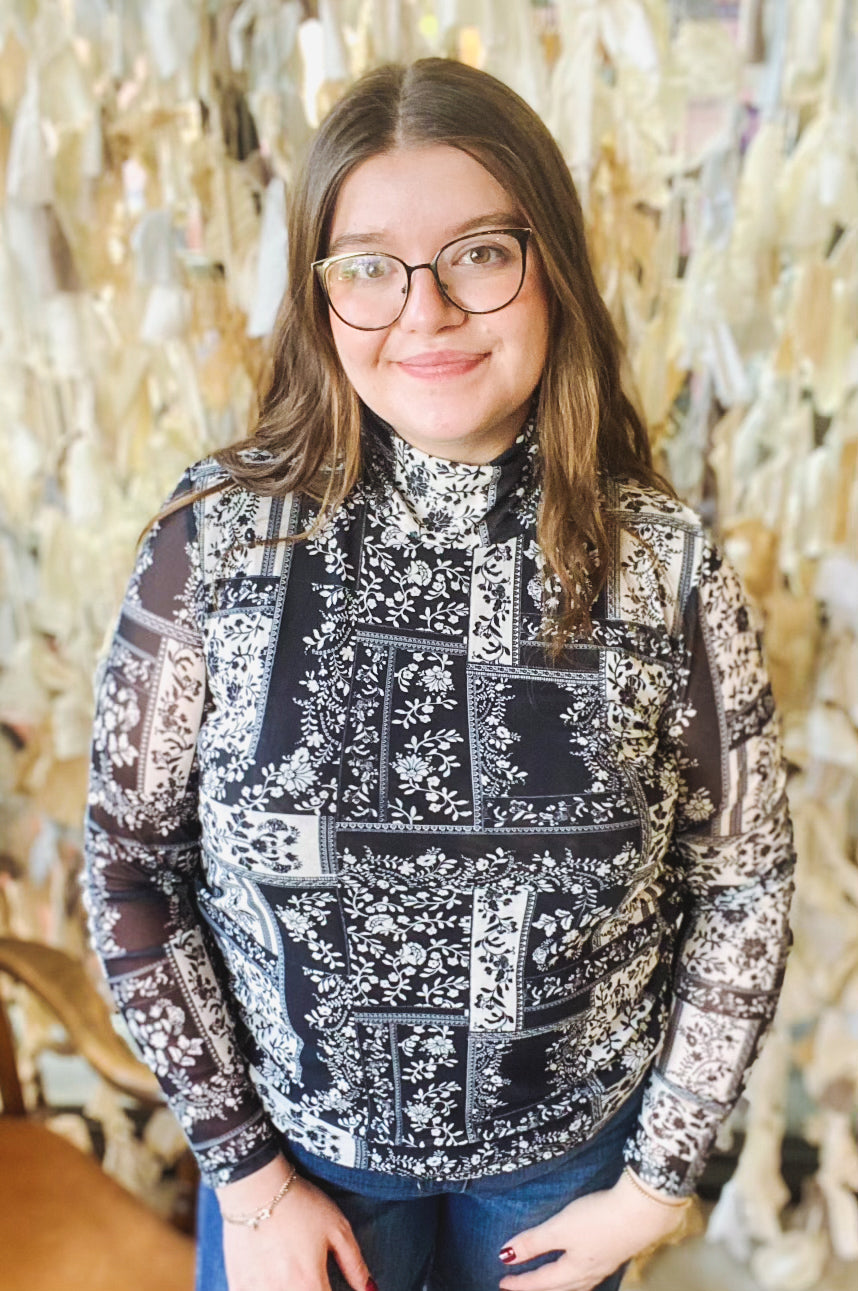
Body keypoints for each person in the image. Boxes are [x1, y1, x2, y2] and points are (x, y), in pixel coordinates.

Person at [83, 57, 795, 1291]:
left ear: (550, 268)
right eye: (370, 265)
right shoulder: (219, 542)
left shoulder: (663, 569)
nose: (425, 310)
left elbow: (745, 884)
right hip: (300, 1170)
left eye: (478, 253)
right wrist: (250, 1183)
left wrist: (654, 1187)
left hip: (560, 1176)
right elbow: (131, 869)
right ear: (319, 294)